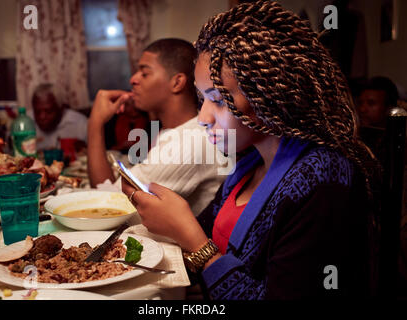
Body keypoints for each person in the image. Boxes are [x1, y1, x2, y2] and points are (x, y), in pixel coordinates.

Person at [122, 1, 379, 299]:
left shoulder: (324, 179)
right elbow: (205, 243)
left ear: (269, 96)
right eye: (201, 98)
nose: (203, 119)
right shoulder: (248, 164)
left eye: (218, 100)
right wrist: (174, 224)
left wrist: (192, 240)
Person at [87, 38, 229, 216]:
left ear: (177, 83)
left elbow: (105, 203)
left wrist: (95, 123)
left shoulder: (188, 142)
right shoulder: (175, 131)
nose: (133, 80)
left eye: (144, 73)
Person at [30, 83, 88, 151]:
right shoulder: (27, 122)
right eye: (37, 112)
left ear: (61, 109)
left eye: (48, 111)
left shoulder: (80, 123)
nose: (42, 117)